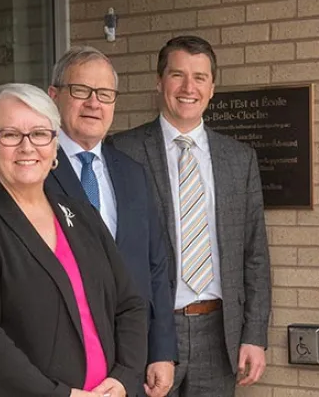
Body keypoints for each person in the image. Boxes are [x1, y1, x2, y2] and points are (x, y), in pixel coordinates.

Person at [0, 47, 176, 397]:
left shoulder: (132, 173)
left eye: (105, 94)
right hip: (46, 374)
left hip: (125, 369)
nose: (94, 103)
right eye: (81, 91)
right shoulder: (20, 163)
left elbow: (155, 266)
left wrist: (160, 351)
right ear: (54, 96)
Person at [0, 83, 147, 397]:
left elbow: (129, 304)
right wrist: (58, 394)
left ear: (55, 142)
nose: (27, 147)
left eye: (40, 133)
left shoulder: (80, 213)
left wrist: (125, 375)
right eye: (10, 134)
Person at [108, 35, 271, 396]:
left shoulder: (238, 159)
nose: (188, 87)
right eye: (177, 75)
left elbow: (254, 254)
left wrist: (255, 334)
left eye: (199, 77)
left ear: (212, 87)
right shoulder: (122, 151)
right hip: (148, 330)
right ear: (159, 81)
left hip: (219, 332)